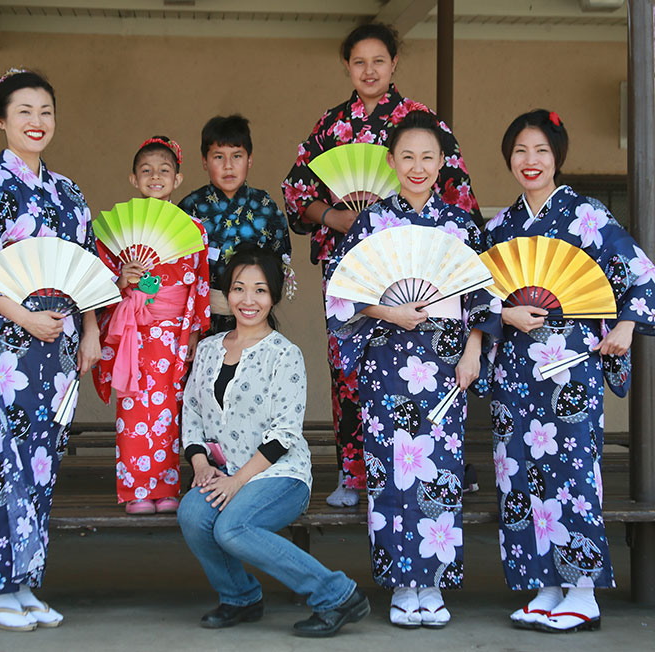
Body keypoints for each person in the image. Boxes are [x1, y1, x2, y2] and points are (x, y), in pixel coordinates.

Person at [281, 22, 481, 507]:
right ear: (347, 67)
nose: (369, 71)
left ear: (394, 64)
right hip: (355, 267)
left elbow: (458, 197)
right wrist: (338, 217)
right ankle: (356, 471)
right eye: (358, 62)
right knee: (350, 367)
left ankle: (428, 468)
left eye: (378, 61)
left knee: (427, 369)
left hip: (422, 271)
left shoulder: (420, 120)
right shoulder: (330, 126)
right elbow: (296, 191)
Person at [325, 111, 500, 628]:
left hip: (446, 366)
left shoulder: (462, 224)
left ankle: (434, 584)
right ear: (391, 162)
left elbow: (483, 298)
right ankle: (404, 585)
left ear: (443, 163)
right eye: (407, 157)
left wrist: (473, 352)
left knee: (440, 472)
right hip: (387, 365)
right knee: (393, 473)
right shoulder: (372, 221)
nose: (417, 167)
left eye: (428, 157)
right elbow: (344, 290)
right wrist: (387, 311)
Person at [0, 68, 101, 631]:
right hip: (10, 349)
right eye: (24, 111)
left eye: (46, 111)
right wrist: (24, 316)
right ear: (1, 120)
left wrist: (90, 332)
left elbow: (85, 273)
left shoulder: (69, 194)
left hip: (57, 351)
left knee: (41, 464)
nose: (37, 122)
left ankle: (26, 581)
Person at [485, 109, 655, 633]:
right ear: (509, 159)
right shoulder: (499, 227)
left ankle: (583, 594)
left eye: (540, 150)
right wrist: (501, 312)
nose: (530, 161)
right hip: (515, 371)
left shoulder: (587, 215)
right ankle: (545, 585)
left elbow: (641, 273)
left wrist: (626, 326)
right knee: (518, 474)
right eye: (520, 151)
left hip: (571, 370)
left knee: (573, 474)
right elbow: (475, 298)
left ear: (557, 156)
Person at [178, 244, 370, 638]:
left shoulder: (285, 355)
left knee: (232, 527)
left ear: (275, 295)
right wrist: (200, 463)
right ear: (226, 293)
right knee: (194, 515)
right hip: (225, 470)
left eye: (260, 290)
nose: (248, 300)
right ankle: (240, 597)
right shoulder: (211, 348)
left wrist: (236, 481)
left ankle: (337, 594)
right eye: (239, 288)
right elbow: (192, 411)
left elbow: (284, 433)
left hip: (280, 475)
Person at [92, 136, 210, 514]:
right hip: (132, 332)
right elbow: (99, 284)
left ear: (178, 179)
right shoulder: (116, 234)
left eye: (164, 170)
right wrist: (121, 279)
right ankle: (135, 489)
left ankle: (166, 486)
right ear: (133, 179)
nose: (155, 177)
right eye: (146, 171)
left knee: (169, 409)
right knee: (132, 409)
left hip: (173, 333)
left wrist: (193, 333)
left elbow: (199, 283)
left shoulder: (193, 229)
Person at [179, 115, 292, 334]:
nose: (228, 166)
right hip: (199, 321)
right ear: (204, 161)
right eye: (218, 157)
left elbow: (281, 260)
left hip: (253, 316)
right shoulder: (190, 208)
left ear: (249, 160)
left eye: (237, 156)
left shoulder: (265, 207)